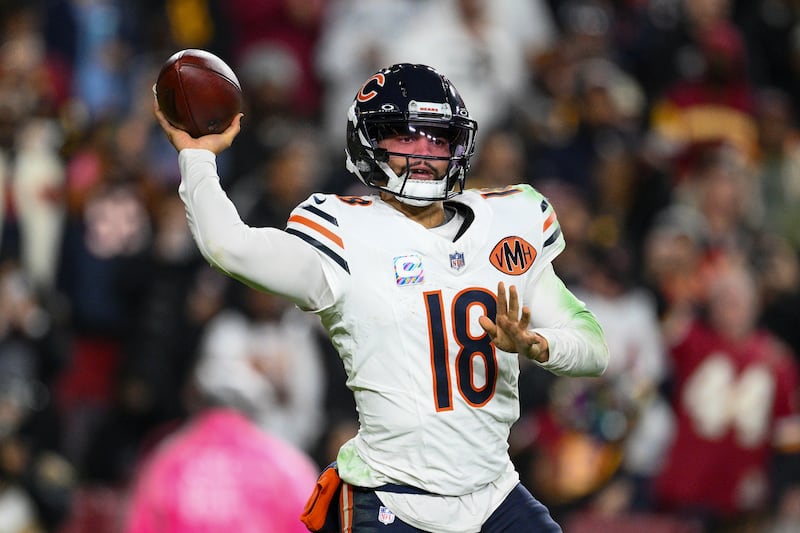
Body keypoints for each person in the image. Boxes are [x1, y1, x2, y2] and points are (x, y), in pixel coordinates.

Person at [154, 62, 609, 532]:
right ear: (368, 144)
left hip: (494, 492)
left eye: (437, 137)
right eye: (404, 137)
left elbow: (593, 347)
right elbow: (229, 246)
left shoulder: (508, 223)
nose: (424, 152)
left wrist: (540, 345)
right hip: (394, 496)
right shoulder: (344, 233)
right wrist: (197, 156)